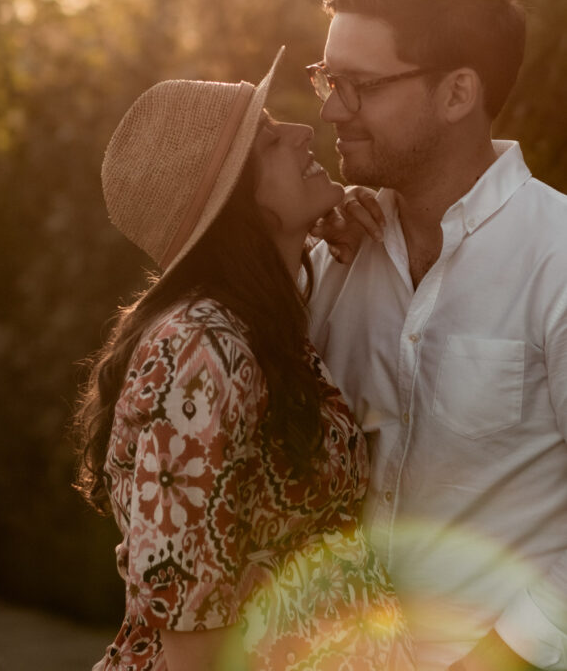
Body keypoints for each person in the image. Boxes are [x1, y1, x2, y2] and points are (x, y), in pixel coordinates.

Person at [75, 47, 415, 671]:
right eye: (267, 140)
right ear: (234, 202)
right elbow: (191, 632)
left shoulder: (258, 329)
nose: (302, 130)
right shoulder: (199, 349)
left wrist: (323, 225)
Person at [305, 0, 567, 671]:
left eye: (359, 86)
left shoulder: (557, 261)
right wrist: (288, 249)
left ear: (456, 94)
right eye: (327, 78)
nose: (331, 109)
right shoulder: (332, 254)